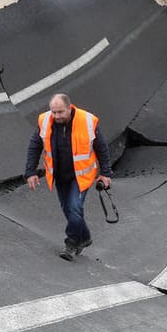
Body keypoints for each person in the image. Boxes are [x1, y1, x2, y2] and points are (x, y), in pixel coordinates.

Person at [25, 92, 112, 260]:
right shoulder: (45, 121)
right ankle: (85, 237)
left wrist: (106, 173)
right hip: (59, 175)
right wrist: (31, 172)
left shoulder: (87, 121)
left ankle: (71, 243)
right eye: (54, 112)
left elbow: (101, 147)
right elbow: (34, 146)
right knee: (69, 210)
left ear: (69, 108)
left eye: (60, 112)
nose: (56, 116)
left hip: (81, 177)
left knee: (74, 207)